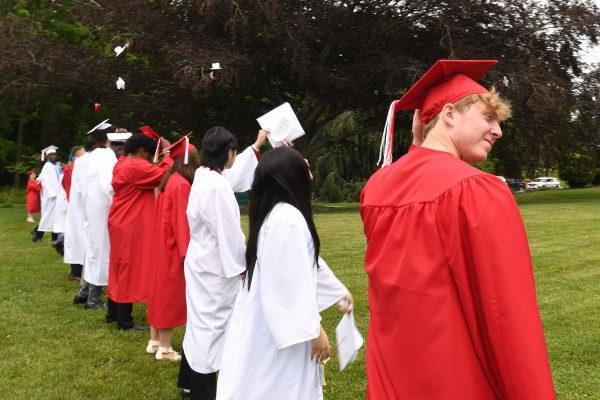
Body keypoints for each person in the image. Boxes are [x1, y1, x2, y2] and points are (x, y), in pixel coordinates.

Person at [360, 59, 555, 399]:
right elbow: (504, 313)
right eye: (488, 118)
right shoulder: (474, 190)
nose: (498, 131)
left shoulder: (377, 188)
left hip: (391, 375)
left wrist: (420, 140)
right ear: (449, 114)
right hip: (457, 377)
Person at [216, 147, 353, 400]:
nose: (310, 176)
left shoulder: (280, 215)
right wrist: (314, 330)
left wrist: (337, 293)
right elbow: (288, 285)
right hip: (277, 334)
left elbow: (306, 261)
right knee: (278, 387)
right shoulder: (287, 219)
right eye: (305, 169)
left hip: (268, 326)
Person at [177, 127, 266, 400]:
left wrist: (258, 144)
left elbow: (235, 176)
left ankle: (188, 382)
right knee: (211, 330)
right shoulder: (216, 187)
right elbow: (228, 235)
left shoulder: (205, 176)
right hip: (215, 269)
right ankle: (202, 392)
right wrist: (242, 267)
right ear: (229, 152)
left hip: (201, 261)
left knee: (198, 324)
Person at [107, 126, 172, 330]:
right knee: (128, 268)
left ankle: (113, 313)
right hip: (130, 224)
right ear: (143, 151)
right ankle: (124, 321)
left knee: (119, 267)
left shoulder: (122, 163)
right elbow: (164, 175)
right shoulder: (135, 166)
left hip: (121, 221)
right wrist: (168, 154)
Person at [146, 137, 199, 362]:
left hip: (160, 243)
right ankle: (165, 349)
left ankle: (155, 339)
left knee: (158, 292)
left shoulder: (169, 179)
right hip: (172, 247)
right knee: (168, 294)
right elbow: (181, 223)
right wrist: (188, 253)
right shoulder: (182, 186)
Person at [77, 129, 118, 309]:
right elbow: (108, 184)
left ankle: (84, 291)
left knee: (93, 248)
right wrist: (117, 201)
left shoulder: (90, 156)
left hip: (91, 206)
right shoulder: (107, 155)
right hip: (102, 207)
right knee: (102, 250)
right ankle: (93, 298)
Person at [63, 144, 88, 282]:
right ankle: (77, 272)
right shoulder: (77, 166)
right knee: (80, 238)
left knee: (76, 238)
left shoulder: (69, 166)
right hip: (79, 204)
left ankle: (75, 271)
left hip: (74, 202)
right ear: (77, 154)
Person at [37, 145, 68, 245]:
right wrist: (54, 193)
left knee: (55, 216)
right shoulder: (47, 167)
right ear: (47, 156)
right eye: (51, 155)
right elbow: (48, 181)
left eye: (54, 154)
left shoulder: (54, 166)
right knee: (48, 216)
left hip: (56, 194)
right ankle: (37, 235)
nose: (53, 156)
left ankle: (54, 237)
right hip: (51, 195)